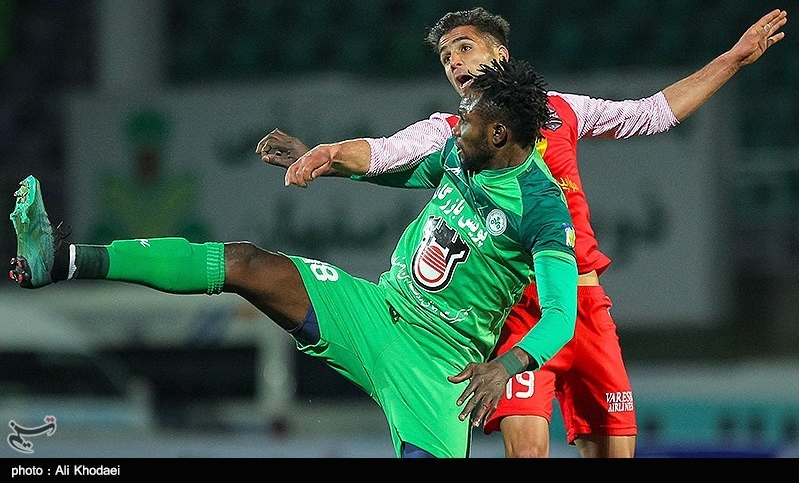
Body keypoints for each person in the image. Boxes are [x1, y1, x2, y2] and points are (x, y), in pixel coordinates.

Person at [257, 7, 788, 458]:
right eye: (445, 58)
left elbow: (652, 113)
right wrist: (324, 155)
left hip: (582, 304)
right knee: (528, 451)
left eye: (463, 47)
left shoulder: (563, 110)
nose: (453, 62)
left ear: (501, 56)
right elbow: (382, 153)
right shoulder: (448, 134)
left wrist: (734, 58)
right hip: (515, 313)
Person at [8, 58, 579, 459]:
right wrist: (320, 158)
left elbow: (559, 316)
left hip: (442, 367)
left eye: (471, 118)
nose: (458, 124)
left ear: (500, 132)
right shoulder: (461, 153)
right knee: (247, 263)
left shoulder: (543, 210)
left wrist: (505, 368)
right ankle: (57, 260)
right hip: (377, 309)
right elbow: (398, 169)